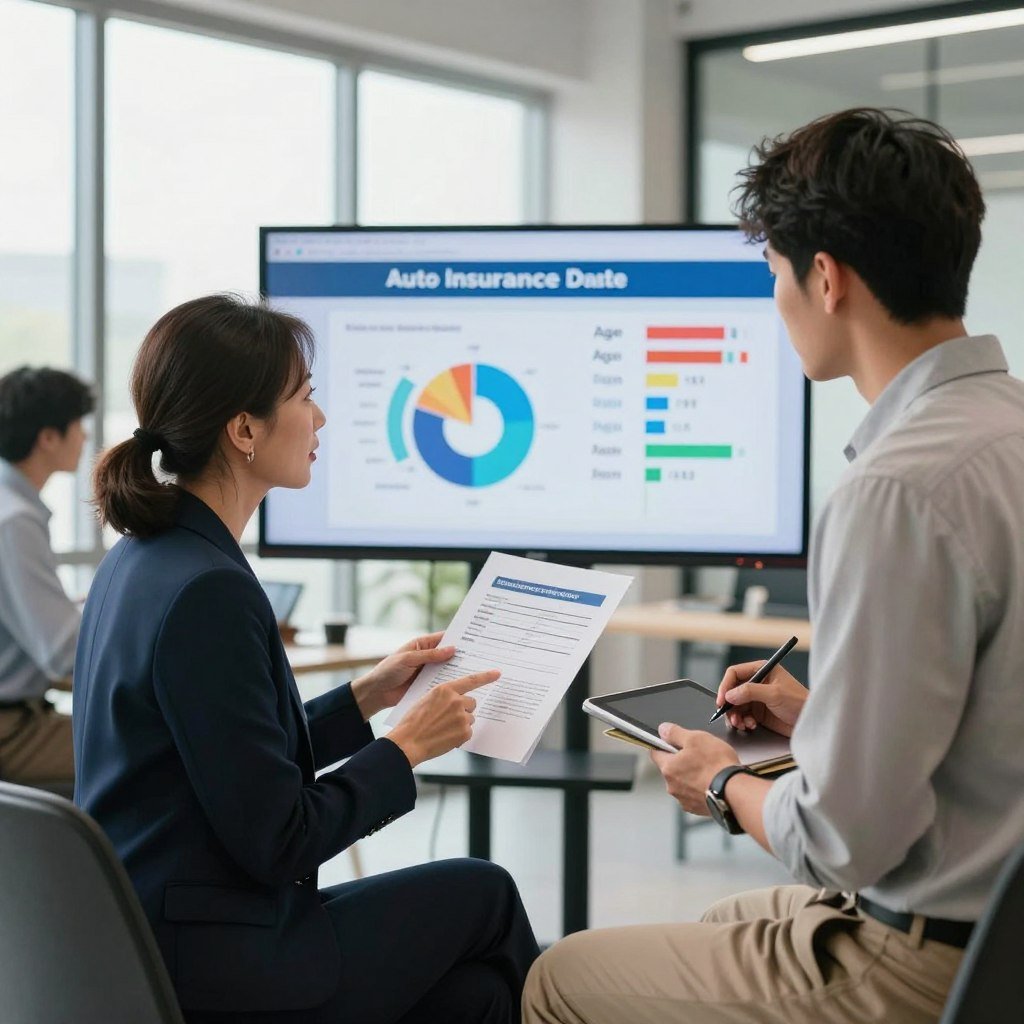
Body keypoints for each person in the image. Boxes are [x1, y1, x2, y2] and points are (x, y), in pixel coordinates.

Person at [524, 108, 1024, 1024]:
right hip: (1002, 935)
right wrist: (815, 713)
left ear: (825, 279)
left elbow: (841, 840)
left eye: (773, 275)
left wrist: (721, 782)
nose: (776, 301)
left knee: (559, 979)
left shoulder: (896, 491)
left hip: (928, 965)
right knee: (721, 919)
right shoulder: (1007, 434)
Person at [73, 294, 538, 1024]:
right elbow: (280, 839)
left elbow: (229, 765)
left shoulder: (140, 561)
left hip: (154, 938)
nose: (319, 419)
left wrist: (366, 699)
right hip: (220, 962)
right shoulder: (209, 592)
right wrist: (404, 749)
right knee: (487, 892)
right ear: (244, 429)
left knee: (471, 999)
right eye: (305, 397)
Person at [0, 365, 94, 786]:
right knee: (150, 752)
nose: (85, 436)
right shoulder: (14, 521)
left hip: (21, 719)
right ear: (49, 437)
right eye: (78, 425)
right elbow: (63, 653)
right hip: (11, 733)